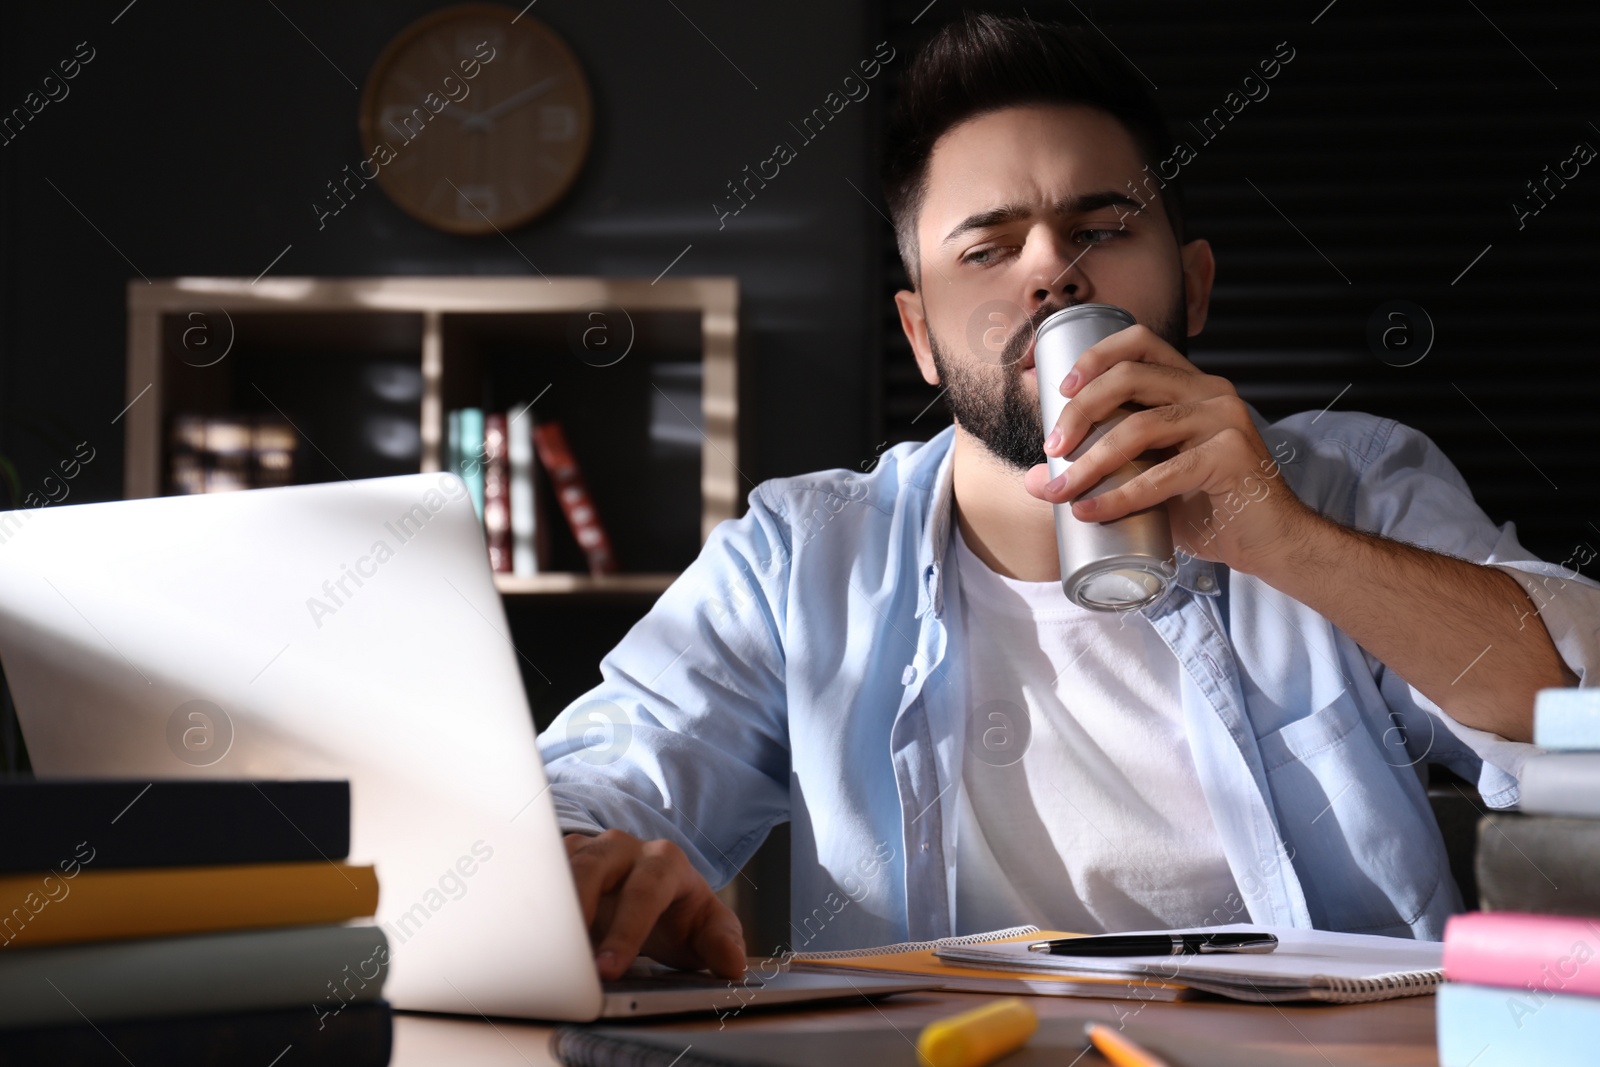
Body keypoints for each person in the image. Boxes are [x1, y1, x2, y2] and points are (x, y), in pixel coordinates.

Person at [536, 13, 1597, 982]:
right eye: (988, 248)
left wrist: (1288, 541)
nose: (1050, 271)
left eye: (1101, 227)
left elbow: (1577, 719)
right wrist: (586, 861)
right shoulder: (800, 556)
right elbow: (587, 785)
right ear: (918, 334)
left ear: (1194, 285)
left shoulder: (1347, 483)